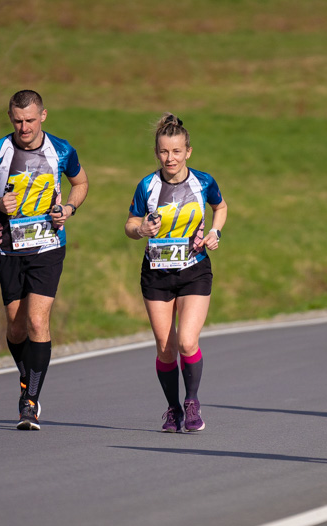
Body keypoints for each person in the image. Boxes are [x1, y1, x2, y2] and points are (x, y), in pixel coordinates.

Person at [0, 90, 88, 430]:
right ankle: (27, 377)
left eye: (31, 120)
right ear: (11, 118)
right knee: (15, 325)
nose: (25, 127)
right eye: (19, 121)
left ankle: (30, 402)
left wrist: (68, 208)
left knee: (37, 322)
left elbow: (80, 182)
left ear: (43, 116)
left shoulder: (61, 150)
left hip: (48, 245)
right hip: (7, 249)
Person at [125, 113, 227, 433]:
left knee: (186, 341)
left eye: (177, 151)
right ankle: (172, 409)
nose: (171, 158)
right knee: (165, 347)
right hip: (156, 274)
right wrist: (141, 229)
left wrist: (216, 232)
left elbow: (220, 207)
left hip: (194, 270)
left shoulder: (203, 182)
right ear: (157, 153)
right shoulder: (147, 186)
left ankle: (192, 402)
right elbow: (129, 224)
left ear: (188, 152)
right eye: (165, 152)